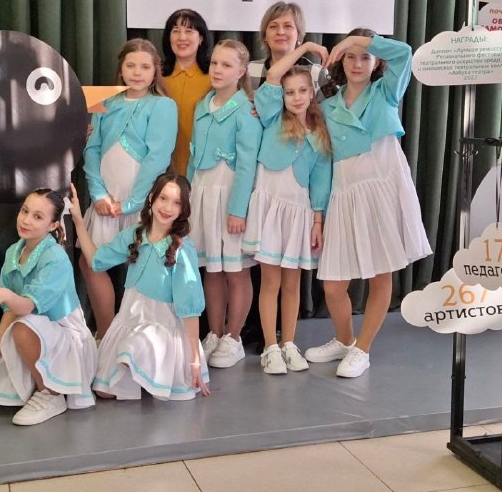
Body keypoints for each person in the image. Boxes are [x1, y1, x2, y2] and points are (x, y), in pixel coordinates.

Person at [304, 29, 432, 377]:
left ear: (376, 62)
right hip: (344, 193)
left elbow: (404, 52)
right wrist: (319, 215)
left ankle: (363, 349)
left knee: (380, 274)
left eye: (364, 56)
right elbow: (323, 164)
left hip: (382, 190)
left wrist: (353, 41)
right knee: (333, 285)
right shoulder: (327, 105)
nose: (357, 63)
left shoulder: (386, 92)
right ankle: (345, 340)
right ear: (341, 62)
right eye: (350, 56)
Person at [0, 189, 96, 425]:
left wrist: (5, 295)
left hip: (64, 333)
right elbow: (11, 308)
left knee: (21, 328)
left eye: (38, 217)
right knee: (0, 346)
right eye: (25, 211)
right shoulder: (13, 252)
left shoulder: (55, 258)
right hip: (32, 328)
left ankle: (50, 394)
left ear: (53, 225)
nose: (26, 220)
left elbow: (27, 305)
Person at [71, 173, 209, 400]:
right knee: (103, 391)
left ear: (183, 209)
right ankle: (140, 374)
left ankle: (150, 367)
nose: (168, 208)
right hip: (130, 320)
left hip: (160, 327)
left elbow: (190, 309)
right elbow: (96, 260)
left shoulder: (182, 250)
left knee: (131, 350)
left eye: (177, 203)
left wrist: (194, 359)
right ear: (152, 197)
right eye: (163, 198)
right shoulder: (135, 234)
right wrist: (78, 220)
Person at [243, 45, 333, 375]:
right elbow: (271, 76)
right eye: (289, 92)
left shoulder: (320, 132)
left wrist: (317, 221)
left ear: (312, 93)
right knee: (270, 282)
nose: (296, 97)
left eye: (302, 91)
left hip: (299, 212)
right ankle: (270, 347)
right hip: (269, 207)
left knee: (293, 284)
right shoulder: (271, 117)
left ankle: (289, 343)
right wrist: (305, 48)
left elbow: (321, 180)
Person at [81, 39, 177, 337]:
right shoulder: (105, 101)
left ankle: (139, 334)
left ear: (155, 71)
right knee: (91, 262)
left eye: (145, 67)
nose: (137, 72)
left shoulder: (162, 105)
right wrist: (99, 194)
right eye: (131, 65)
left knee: (141, 263)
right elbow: (91, 149)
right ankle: (106, 332)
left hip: (139, 200)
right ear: (121, 69)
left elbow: (157, 157)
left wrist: (134, 202)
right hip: (106, 199)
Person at [188, 40, 262, 368]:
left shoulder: (246, 110)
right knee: (212, 270)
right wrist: (188, 199)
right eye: (215, 63)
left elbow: (247, 165)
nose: (217, 70)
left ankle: (234, 337)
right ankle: (215, 333)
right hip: (202, 194)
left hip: (229, 194)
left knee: (236, 271)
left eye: (226, 65)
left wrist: (237, 210)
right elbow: (193, 159)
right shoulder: (202, 106)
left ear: (241, 71)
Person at [161, 8, 213, 176]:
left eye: (189, 31)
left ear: (201, 38)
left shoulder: (214, 77)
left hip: (204, 169)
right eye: (176, 31)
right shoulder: (156, 76)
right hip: (162, 168)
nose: (182, 37)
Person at [248, 1, 331, 99]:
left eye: (288, 26)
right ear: (265, 35)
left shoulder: (317, 74)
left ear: (298, 35)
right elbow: (233, 104)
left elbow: (339, 105)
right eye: (273, 26)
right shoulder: (250, 70)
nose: (280, 32)